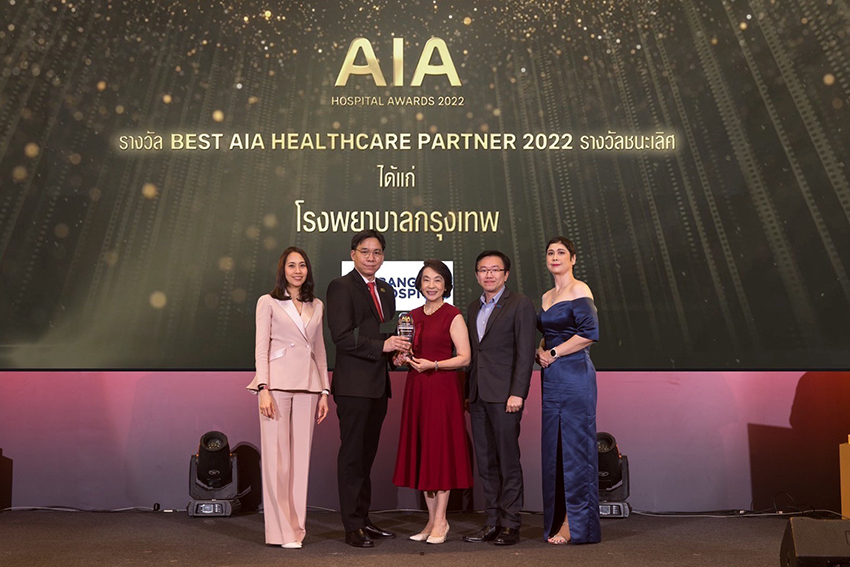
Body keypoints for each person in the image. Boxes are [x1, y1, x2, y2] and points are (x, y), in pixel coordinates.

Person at [326, 230, 410, 548]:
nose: (371, 257)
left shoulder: (386, 290)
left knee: (366, 457)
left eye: (377, 252)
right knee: (352, 457)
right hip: (353, 386)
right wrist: (383, 346)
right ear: (353, 254)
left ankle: (364, 519)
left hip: (378, 385)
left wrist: (394, 355)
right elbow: (342, 336)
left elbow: (383, 334)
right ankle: (352, 526)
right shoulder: (341, 286)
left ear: (383, 256)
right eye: (365, 252)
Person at [248, 246, 330, 549]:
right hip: (276, 386)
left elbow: (319, 350)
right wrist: (263, 388)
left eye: (302, 265)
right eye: (292, 265)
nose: (298, 270)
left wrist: (325, 391)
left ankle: (296, 530)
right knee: (276, 461)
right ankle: (280, 531)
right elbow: (261, 348)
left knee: (300, 464)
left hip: (309, 385)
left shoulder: (317, 305)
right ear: (283, 269)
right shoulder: (267, 302)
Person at [391, 259, 473, 545]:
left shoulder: (453, 315)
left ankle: (441, 521)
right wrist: (400, 358)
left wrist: (434, 365)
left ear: (446, 285)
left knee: (440, 453)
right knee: (423, 452)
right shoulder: (410, 316)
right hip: (417, 389)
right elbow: (408, 352)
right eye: (426, 279)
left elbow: (465, 357)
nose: (431, 285)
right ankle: (431, 520)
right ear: (419, 284)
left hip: (442, 389)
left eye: (438, 280)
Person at [463, 250, 537, 546]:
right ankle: (492, 521)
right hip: (478, 395)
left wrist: (518, 392)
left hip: (506, 395)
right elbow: (474, 354)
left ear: (506, 274)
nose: (489, 274)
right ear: (477, 275)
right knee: (485, 462)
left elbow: (525, 352)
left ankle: (511, 523)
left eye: (495, 269)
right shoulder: (473, 307)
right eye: (483, 270)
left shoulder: (520, 303)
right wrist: (468, 393)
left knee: (507, 460)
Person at [535, 236, 601, 545]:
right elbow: (549, 334)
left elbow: (589, 333)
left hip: (575, 375)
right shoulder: (547, 295)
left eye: (561, 252)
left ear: (573, 259)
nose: (555, 257)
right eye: (550, 252)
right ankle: (558, 518)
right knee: (555, 450)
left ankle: (575, 523)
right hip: (551, 377)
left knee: (576, 450)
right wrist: (541, 350)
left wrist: (554, 352)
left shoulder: (579, 289)